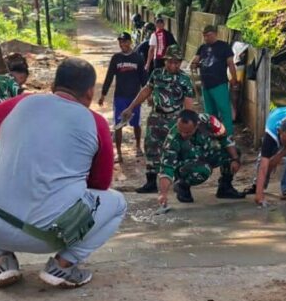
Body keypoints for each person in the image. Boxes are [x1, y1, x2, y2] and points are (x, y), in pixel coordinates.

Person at [0, 58, 126, 289]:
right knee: (117, 203)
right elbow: (100, 185)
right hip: (49, 237)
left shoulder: (22, 103)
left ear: (54, 85)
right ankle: (63, 265)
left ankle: (2, 258)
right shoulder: (96, 123)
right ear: (90, 92)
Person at [121, 45, 194, 193]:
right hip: (156, 118)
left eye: (177, 62)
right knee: (151, 149)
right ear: (165, 60)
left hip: (175, 120)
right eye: (170, 61)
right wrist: (131, 107)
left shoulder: (184, 79)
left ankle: (180, 183)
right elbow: (146, 90)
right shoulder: (157, 74)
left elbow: (188, 103)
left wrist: (189, 125)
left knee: (177, 150)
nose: (173, 65)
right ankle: (151, 182)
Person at [157, 110, 245, 205]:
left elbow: (225, 139)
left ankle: (225, 187)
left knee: (233, 152)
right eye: (180, 130)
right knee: (204, 169)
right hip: (185, 165)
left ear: (197, 125)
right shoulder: (173, 138)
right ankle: (182, 185)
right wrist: (163, 194)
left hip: (205, 154)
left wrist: (235, 159)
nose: (183, 134)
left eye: (187, 132)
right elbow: (166, 167)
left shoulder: (209, 122)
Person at [98, 32, 148, 160]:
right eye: (120, 42)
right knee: (118, 124)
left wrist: (148, 95)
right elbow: (109, 76)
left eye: (125, 41)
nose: (122, 44)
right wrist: (103, 94)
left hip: (135, 97)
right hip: (120, 96)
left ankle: (138, 146)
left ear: (130, 42)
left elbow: (144, 78)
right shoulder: (116, 58)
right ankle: (119, 152)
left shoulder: (138, 58)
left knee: (136, 123)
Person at [244, 105, 286, 203]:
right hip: (275, 116)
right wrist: (259, 194)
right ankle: (258, 185)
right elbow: (264, 165)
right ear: (279, 132)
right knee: (265, 158)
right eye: (285, 141)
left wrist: (279, 156)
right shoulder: (271, 133)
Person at [190, 25, 239, 135]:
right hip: (205, 84)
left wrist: (234, 80)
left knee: (224, 109)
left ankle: (228, 134)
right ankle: (213, 133)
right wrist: (194, 64)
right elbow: (194, 61)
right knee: (209, 112)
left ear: (215, 34)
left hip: (219, 83)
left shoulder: (224, 46)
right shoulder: (202, 47)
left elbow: (231, 64)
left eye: (208, 35)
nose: (206, 38)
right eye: (204, 36)